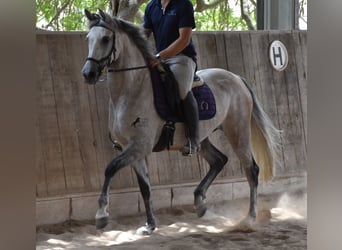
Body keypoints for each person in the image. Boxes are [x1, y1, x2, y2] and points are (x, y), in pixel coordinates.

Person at [143, 0, 200, 156]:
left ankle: (194, 139)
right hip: (158, 57)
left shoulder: (184, 5)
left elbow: (184, 40)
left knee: (181, 89)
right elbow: (143, 35)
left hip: (182, 58)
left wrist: (159, 56)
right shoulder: (151, 6)